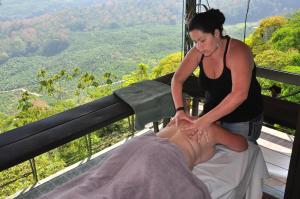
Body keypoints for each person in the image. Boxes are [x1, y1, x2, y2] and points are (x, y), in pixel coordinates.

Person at [40, 120, 247, 199]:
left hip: (139, 145)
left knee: (99, 181)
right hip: (162, 158)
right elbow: (242, 145)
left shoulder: (180, 119)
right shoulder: (211, 128)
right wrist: (220, 130)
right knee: (123, 190)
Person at [171, 8, 263, 142]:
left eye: (202, 41)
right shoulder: (198, 52)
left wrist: (204, 121)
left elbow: (239, 94)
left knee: (239, 156)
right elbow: (177, 79)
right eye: (195, 42)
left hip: (242, 119)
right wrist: (179, 110)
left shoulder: (238, 52)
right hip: (212, 117)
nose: (199, 46)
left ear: (216, 33)